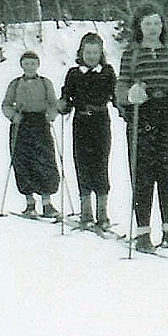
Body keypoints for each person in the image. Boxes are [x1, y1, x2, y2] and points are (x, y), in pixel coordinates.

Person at [115, 3, 168, 252]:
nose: (153, 28)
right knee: (142, 171)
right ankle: (143, 232)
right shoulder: (131, 53)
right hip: (142, 114)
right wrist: (129, 95)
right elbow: (121, 85)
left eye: (157, 23)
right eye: (147, 24)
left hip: (167, 112)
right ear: (139, 26)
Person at [61, 32, 115, 229]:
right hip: (81, 121)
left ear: (101, 53)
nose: (91, 56)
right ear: (81, 53)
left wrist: (126, 109)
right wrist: (63, 105)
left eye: (95, 53)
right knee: (82, 163)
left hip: (100, 121)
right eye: (88, 52)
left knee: (101, 163)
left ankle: (102, 212)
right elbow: (67, 96)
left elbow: (115, 95)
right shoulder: (74, 73)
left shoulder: (107, 72)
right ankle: (86, 211)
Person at [1, 50, 62, 218]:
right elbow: (6, 104)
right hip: (21, 124)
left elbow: (53, 103)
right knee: (22, 162)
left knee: (45, 161)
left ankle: (47, 203)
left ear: (38, 65)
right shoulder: (15, 83)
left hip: (40, 123)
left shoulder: (45, 82)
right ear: (21, 65)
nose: (29, 67)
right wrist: (13, 116)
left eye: (33, 63)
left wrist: (51, 114)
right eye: (26, 63)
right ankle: (29, 203)